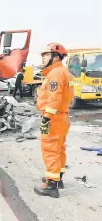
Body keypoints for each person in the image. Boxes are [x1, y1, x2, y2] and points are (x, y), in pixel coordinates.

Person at [34, 43, 74, 198]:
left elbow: (54, 97)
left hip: (54, 117)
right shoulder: (64, 72)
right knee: (59, 148)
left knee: (50, 149)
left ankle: (51, 185)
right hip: (62, 117)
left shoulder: (56, 73)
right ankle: (58, 178)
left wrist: (46, 118)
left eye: (45, 55)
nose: (43, 58)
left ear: (56, 56)